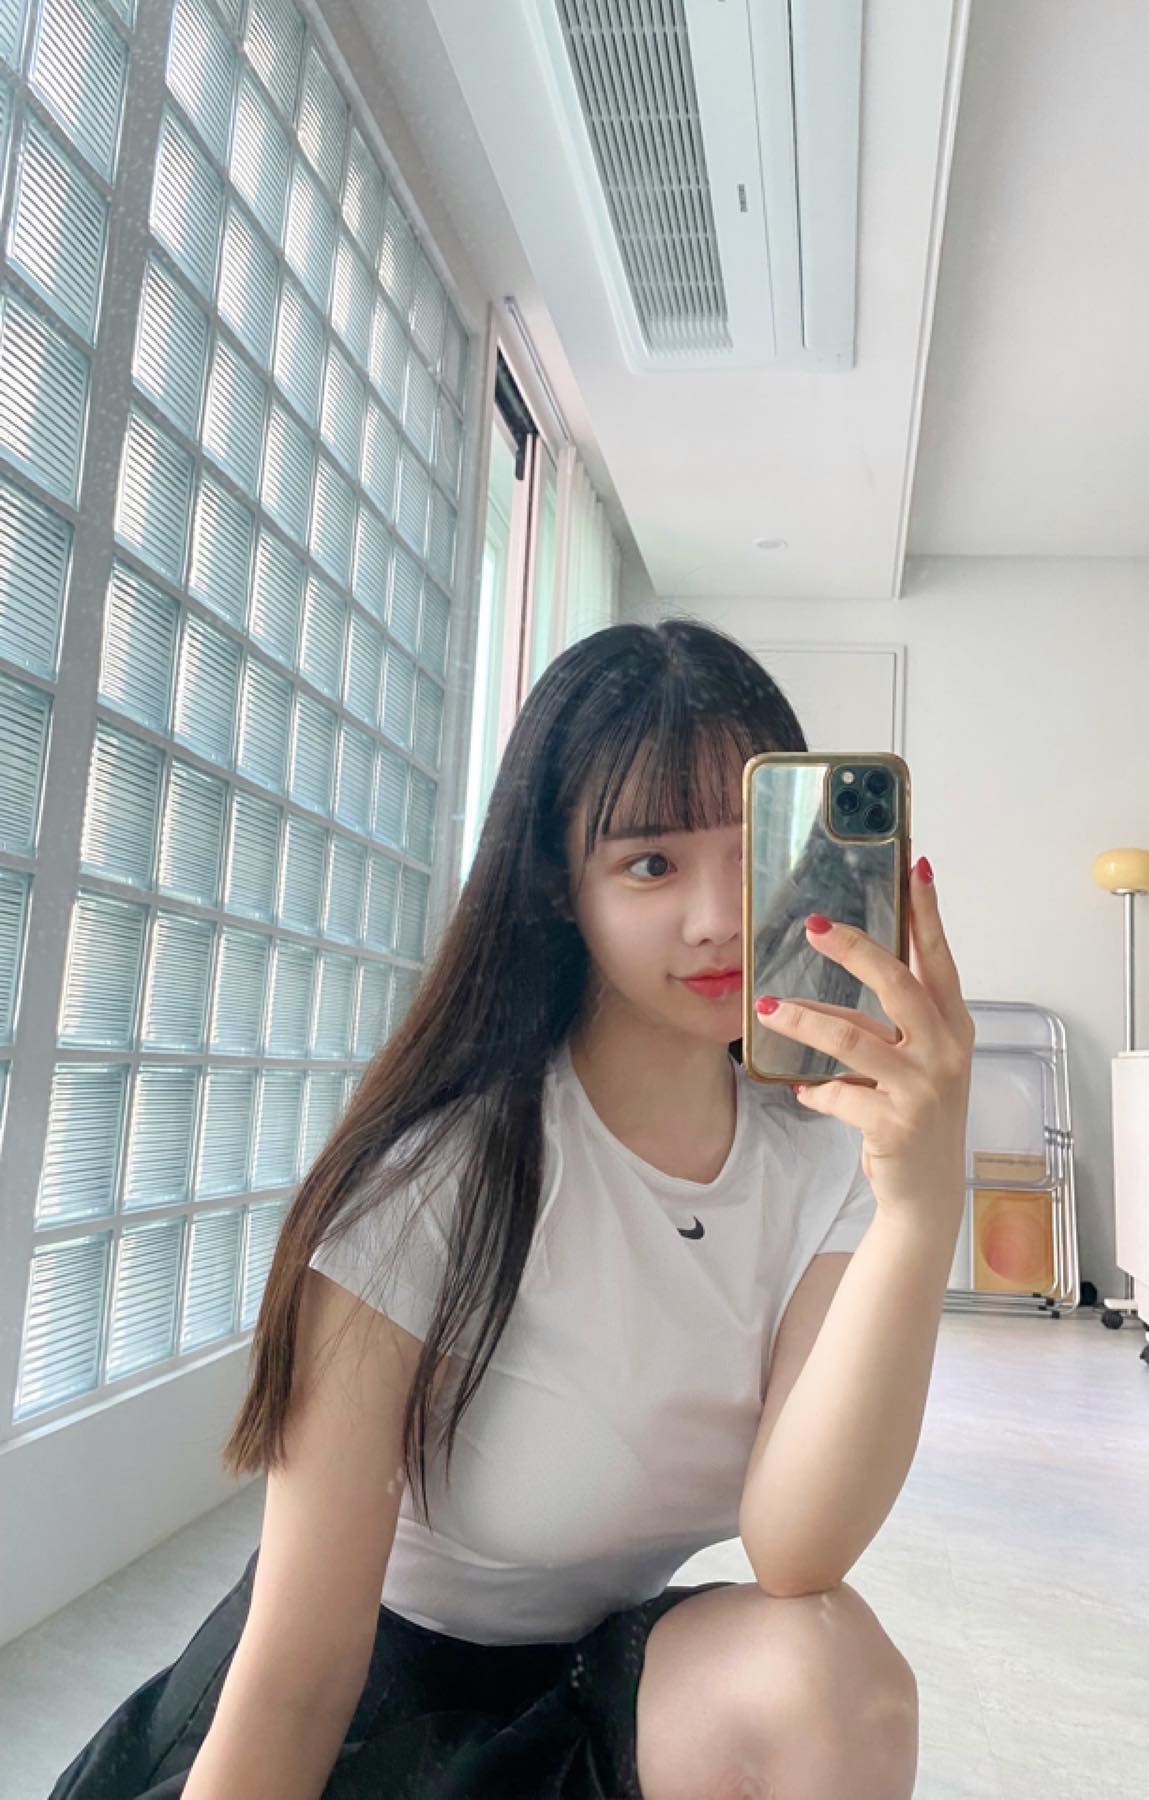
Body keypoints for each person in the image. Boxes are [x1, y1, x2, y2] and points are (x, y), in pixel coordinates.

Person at [50, 619, 974, 1799]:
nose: (715, 917)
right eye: (650, 865)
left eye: (751, 856)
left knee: (828, 1674)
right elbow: (295, 1679)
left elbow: (797, 1551)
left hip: (589, 1688)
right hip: (373, 1713)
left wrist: (919, 1208)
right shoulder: (432, 1176)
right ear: (559, 886)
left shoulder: (820, 1158)